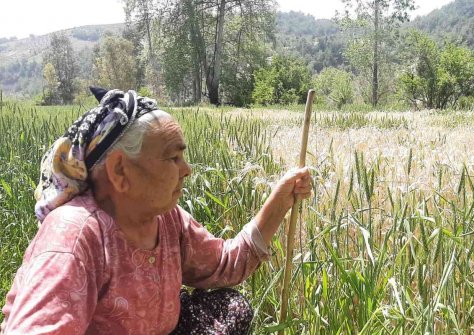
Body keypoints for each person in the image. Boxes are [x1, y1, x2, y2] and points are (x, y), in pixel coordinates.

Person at [0, 87, 312, 334]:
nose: (187, 170)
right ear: (120, 171)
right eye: (172, 158)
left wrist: (280, 201)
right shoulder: (75, 237)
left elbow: (223, 264)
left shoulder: (167, 219)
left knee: (229, 307)